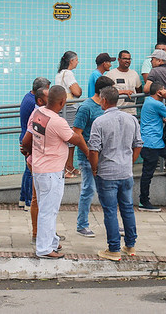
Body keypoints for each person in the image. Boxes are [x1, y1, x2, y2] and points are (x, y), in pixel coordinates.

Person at [26, 85, 88, 258]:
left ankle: (51, 241)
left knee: (49, 208)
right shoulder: (57, 121)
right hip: (50, 171)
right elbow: (75, 139)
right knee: (48, 210)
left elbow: (28, 137)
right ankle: (44, 249)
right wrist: (89, 153)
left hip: (40, 168)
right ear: (62, 102)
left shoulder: (38, 113)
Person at [88, 86, 144, 262]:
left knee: (110, 211)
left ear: (104, 100)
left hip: (107, 173)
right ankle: (130, 245)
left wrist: (95, 169)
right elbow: (139, 144)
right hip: (125, 172)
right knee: (127, 208)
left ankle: (114, 249)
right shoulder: (131, 119)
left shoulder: (99, 122)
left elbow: (93, 150)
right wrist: (130, 161)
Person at [71, 75, 115, 238]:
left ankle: (114, 224)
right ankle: (82, 225)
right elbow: (77, 133)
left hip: (105, 156)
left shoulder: (107, 107)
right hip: (88, 157)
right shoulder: (86, 107)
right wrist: (89, 153)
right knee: (88, 189)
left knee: (110, 190)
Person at [138, 82, 166, 211]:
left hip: (156, 143)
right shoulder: (156, 104)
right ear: (159, 93)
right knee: (147, 174)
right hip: (151, 144)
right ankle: (144, 202)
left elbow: (158, 116)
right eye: (163, 90)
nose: (165, 92)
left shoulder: (148, 101)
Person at [19, 77, 50, 210]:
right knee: (30, 171)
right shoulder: (34, 105)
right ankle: (28, 201)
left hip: (27, 136)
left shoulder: (28, 97)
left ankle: (23, 199)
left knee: (28, 170)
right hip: (30, 138)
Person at [55, 51, 82, 179]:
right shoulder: (68, 73)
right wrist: (79, 90)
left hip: (62, 108)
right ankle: (66, 167)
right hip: (69, 108)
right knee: (70, 138)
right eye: (76, 60)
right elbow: (77, 91)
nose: (77, 62)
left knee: (67, 139)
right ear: (71, 61)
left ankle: (69, 166)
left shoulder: (59, 74)